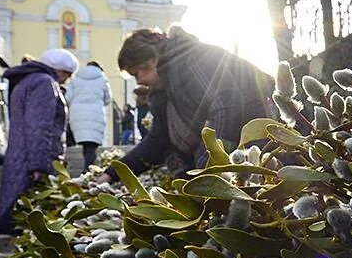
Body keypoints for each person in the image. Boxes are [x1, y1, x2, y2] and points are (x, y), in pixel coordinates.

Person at [96, 25, 275, 182]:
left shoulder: (190, 58)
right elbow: (157, 140)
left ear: (151, 60)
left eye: (136, 74)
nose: (138, 82)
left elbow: (226, 105)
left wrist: (210, 165)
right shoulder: (166, 89)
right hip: (248, 148)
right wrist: (111, 173)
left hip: (266, 135)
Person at [0, 49, 78, 236]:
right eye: (67, 75)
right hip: (33, 163)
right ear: (61, 71)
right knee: (31, 220)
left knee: (20, 219)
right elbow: (39, 126)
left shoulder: (27, 81)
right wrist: (39, 166)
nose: (66, 80)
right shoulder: (44, 83)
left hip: (21, 157)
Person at [66, 60, 112, 172]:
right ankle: (89, 171)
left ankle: (69, 169)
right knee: (91, 146)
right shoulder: (103, 79)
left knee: (81, 141)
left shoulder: (75, 79)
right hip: (96, 113)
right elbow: (107, 99)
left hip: (77, 113)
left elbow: (68, 97)